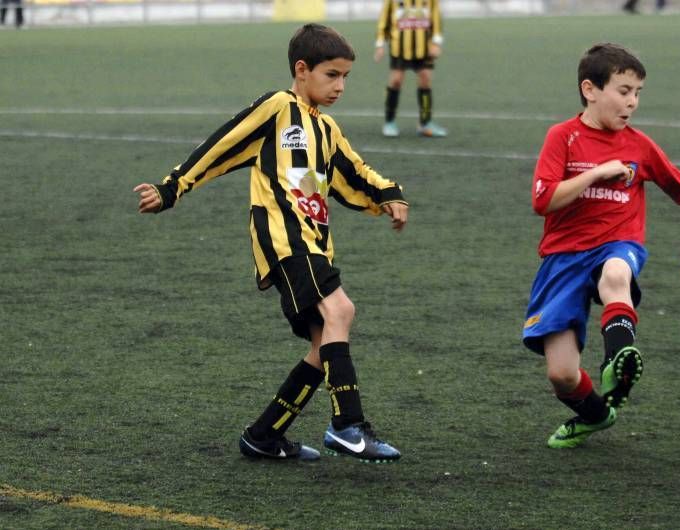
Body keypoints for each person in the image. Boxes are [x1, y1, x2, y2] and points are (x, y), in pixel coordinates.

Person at [133, 24, 408, 463]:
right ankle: (347, 425)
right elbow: (221, 144)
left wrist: (387, 195)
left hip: (315, 244)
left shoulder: (327, 128)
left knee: (324, 346)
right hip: (284, 240)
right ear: (302, 70)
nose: (340, 86)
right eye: (332, 75)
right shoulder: (278, 108)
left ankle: (263, 435)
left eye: (345, 78)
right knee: (341, 310)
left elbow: (354, 174)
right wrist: (173, 187)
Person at [522, 43, 680, 449]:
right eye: (623, 91)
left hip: (617, 243)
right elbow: (543, 201)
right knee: (562, 375)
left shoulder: (639, 145)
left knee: (616, 274)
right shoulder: (563, 138)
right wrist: (597, 174)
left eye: (638, 93)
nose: (632, 103)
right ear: (590, 89)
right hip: (562, 258)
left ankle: (617, 361)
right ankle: (595, 415)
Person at [374, 0, 447, 138]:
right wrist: (380, 44)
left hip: (424, 48)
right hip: (399, 48)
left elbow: (436, 20)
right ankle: (389, 121)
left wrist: (437, 43)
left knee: (425, 79)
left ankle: (425, 123)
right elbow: (384, 20)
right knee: (396, 81)